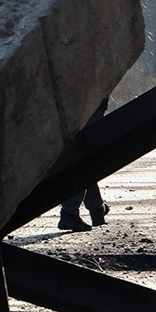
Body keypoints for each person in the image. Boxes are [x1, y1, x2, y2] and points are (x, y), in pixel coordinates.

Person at [57, 98, 110, 232]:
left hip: (79, 103)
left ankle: (96, 209)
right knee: (82, 158)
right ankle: (69, 213)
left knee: (84, 157)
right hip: (86, 103)